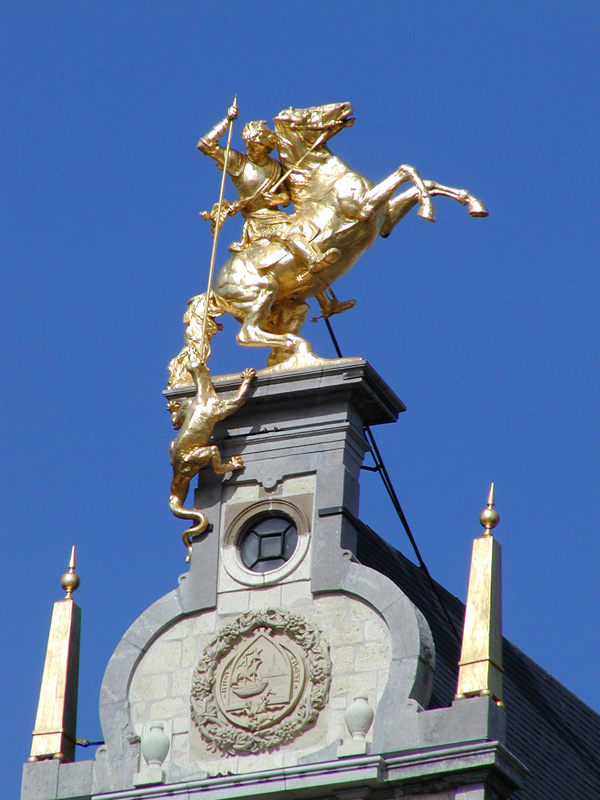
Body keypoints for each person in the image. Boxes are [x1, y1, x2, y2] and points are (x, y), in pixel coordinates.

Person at [197, 102, 332, 268]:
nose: (249, 148)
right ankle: (315, 261)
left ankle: (322, 290)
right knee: (290, 234)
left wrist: (275, 200)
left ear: (267, 146)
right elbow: (205, 145)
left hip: (277, 216)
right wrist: (227, 120)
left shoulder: (275, 167)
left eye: (254, 146)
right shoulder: (238, 162)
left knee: (307, 232)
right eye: (248, 144)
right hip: (258, 222)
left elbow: (286, 198)